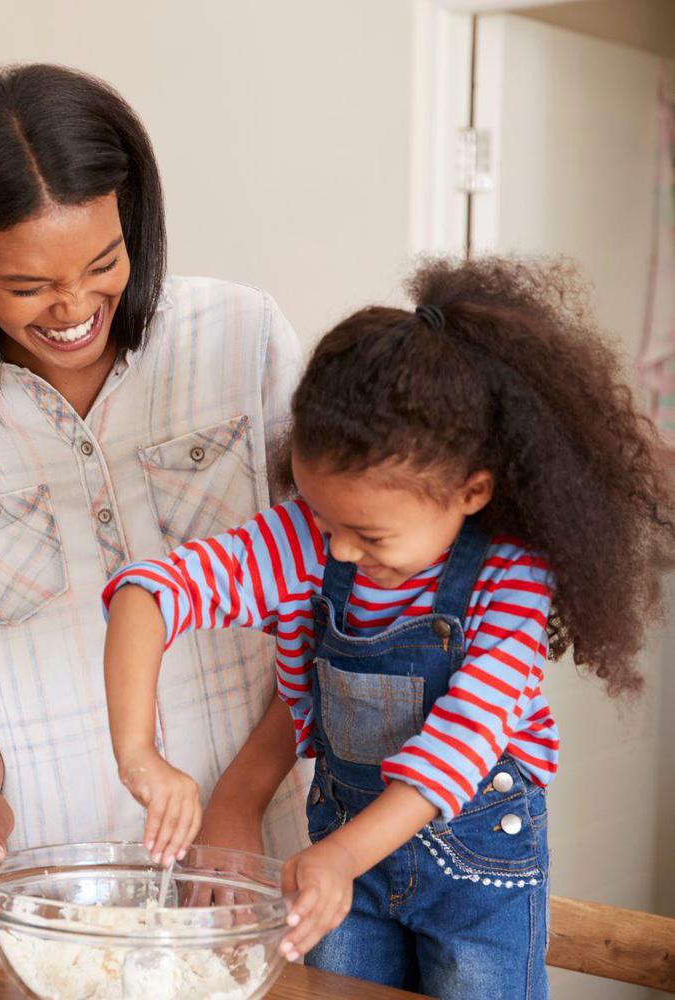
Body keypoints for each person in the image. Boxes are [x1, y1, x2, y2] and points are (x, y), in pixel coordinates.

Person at [102, 257, 675, 998]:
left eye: (369, 535)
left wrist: (342, 855)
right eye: (325, 519)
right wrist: (139, 751)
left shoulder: (510, 578)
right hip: (347, 865)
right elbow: (152, 592)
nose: (339, 549)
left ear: (471, 490)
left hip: (478, 876)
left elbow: (462, 740)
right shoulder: (314, 536)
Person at [0, 63, 311, 949]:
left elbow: (327, 609)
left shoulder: (242, 340)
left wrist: (238, 803)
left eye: (103, 262)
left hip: (268, 861)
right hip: (61, 892)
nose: (75, 308)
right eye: (30, 286)